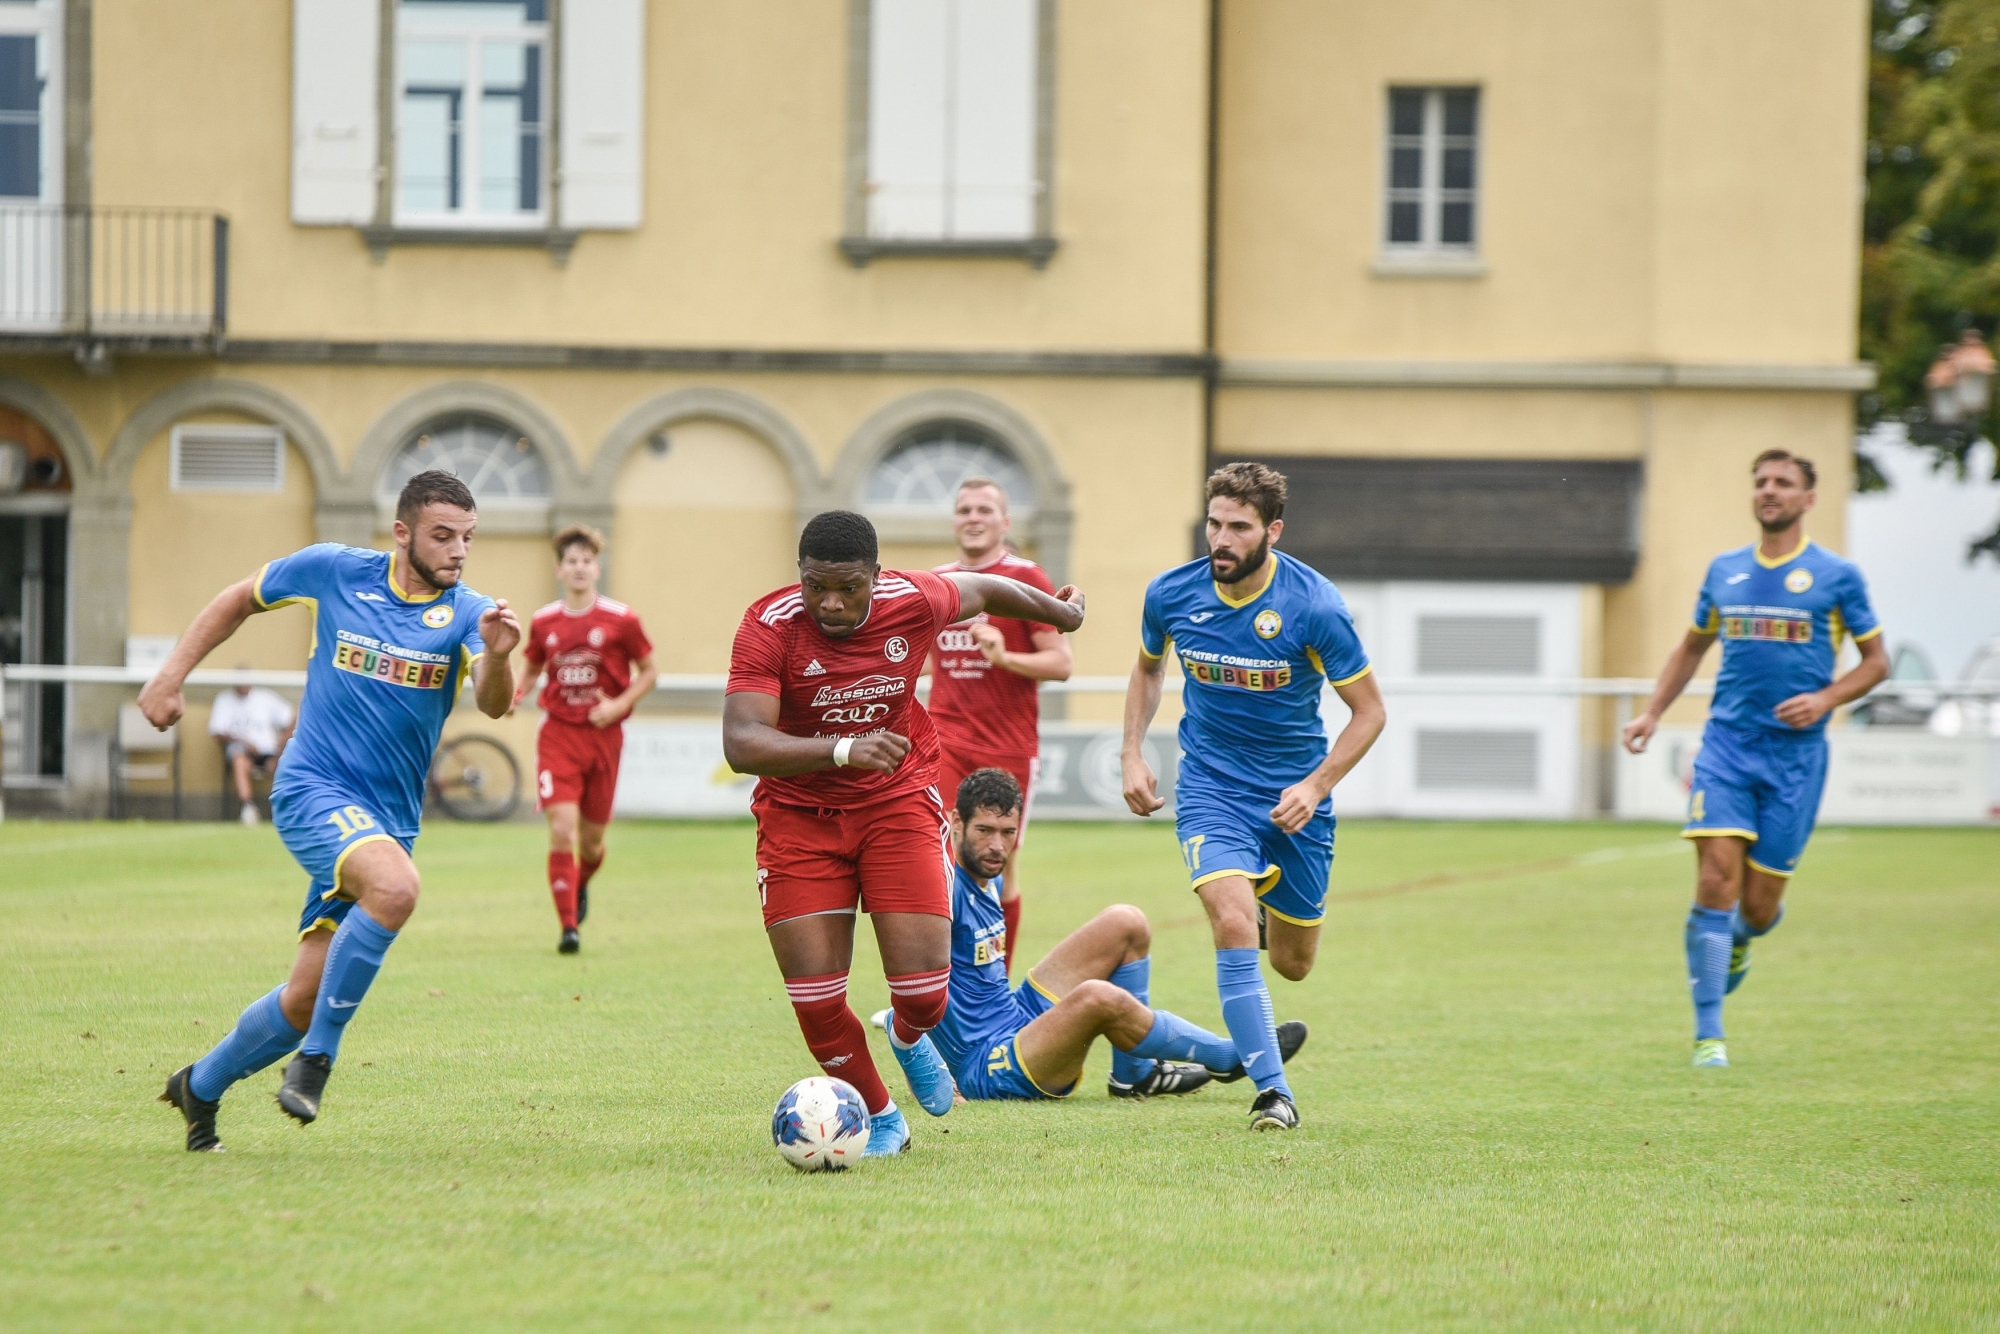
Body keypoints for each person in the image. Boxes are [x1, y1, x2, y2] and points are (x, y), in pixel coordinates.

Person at [144, 470, 519, 1150]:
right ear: (401, 533)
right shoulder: (334, 571)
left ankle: (198, 1087)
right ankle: (316, 1061)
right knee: (397, 888)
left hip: (386, 825)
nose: (458, 551)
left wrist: (496, 656)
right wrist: (171, 676)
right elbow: (238, 599)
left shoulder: (471, 614)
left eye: (467, 538)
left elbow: (495, 703)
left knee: (300, 999)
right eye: (442, 536)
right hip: (312, 788)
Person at [722, 510, 1086, 1157]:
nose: (830, 603)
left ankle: (908, 1034)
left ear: (876, 578)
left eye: (848, 587)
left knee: (925, 993)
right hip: (798, 819)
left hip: (895, 802)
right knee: (815, 1001)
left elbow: (987, 588)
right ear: (799, 578)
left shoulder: (913, 600)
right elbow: (741, 740)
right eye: (815, 586)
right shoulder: (768, 625)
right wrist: (840, 749)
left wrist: (1060, 617)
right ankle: (886, 1118)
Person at [1121, 462, 1386, 1132]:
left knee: (1293, 964)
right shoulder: (1171, 594)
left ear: (1272, 531)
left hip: (1294, 798)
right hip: (1210, 784)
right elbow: (1149, 669)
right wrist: (1133, 751)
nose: (1222, 539)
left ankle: (1266, 902)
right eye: (1214, 524)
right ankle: (1274, 1092)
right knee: (1232, 920)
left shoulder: (1315, 606)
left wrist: (1316, 784)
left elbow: (1370, 713)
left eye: (1238, 527)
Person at [1622, 448, 1887, 1069]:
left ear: (1807, 499)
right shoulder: (1725, 572)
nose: (1769, 490)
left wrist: (1826, 698)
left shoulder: (1836, 576)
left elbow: (1877, 662)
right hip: (1727, 749)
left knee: (1760, 907)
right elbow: (1690, 649)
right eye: (1761, 482)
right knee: (1716, 877)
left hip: (1796, 761)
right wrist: (1651, 711)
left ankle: (1741, 939)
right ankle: (1709, 1035)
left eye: (1783, 483)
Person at [875, 767, 1306, 1103]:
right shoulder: (943, 888)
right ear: (956, 822)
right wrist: (924, 1072)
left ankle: (1133, 1076)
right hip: (988, 1065)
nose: (996, 847)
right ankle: (1232, 1056)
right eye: (984, 831)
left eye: (1007, 833)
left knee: (1126, 921)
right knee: (1097, 997)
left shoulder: (989, 879)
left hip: (1015, 1018)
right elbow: (905, 987)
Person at [927, 477, 1071, 976]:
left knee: (997, 861)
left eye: (985, 509)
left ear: (1005, 523)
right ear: (954, 520)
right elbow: (920, 662)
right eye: (964, 508)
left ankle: (992, 989)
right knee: (940, 865)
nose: (973, 517)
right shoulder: (938, 583)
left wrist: (1004, 656)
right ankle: (933, 991)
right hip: (944, 742)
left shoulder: (1025, 576)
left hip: (1007, 747)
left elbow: (1060, 662)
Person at [514, 526, 657, 954]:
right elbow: (532, 668)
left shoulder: (621, 619)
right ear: (560, 569)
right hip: (558, 735)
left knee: (592, 842)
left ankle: (579, 883)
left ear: (596, 568)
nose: (579, 568)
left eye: (586, 561)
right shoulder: (543, 621)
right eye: (571, 561)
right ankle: (568, 928)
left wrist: (617, 706)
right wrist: (514, 695)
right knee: (562, 829)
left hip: (604, 738)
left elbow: (649, 672)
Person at [208, 667, 294, 825]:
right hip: (242, 750)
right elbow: (217, 731)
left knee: (286, 762)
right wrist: (243, 741)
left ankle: (287, 809)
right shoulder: (224, 699)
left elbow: (291, 718)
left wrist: (281, 746)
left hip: (269, 751)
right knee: (239, 759)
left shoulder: (265, 697)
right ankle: (248, 807)